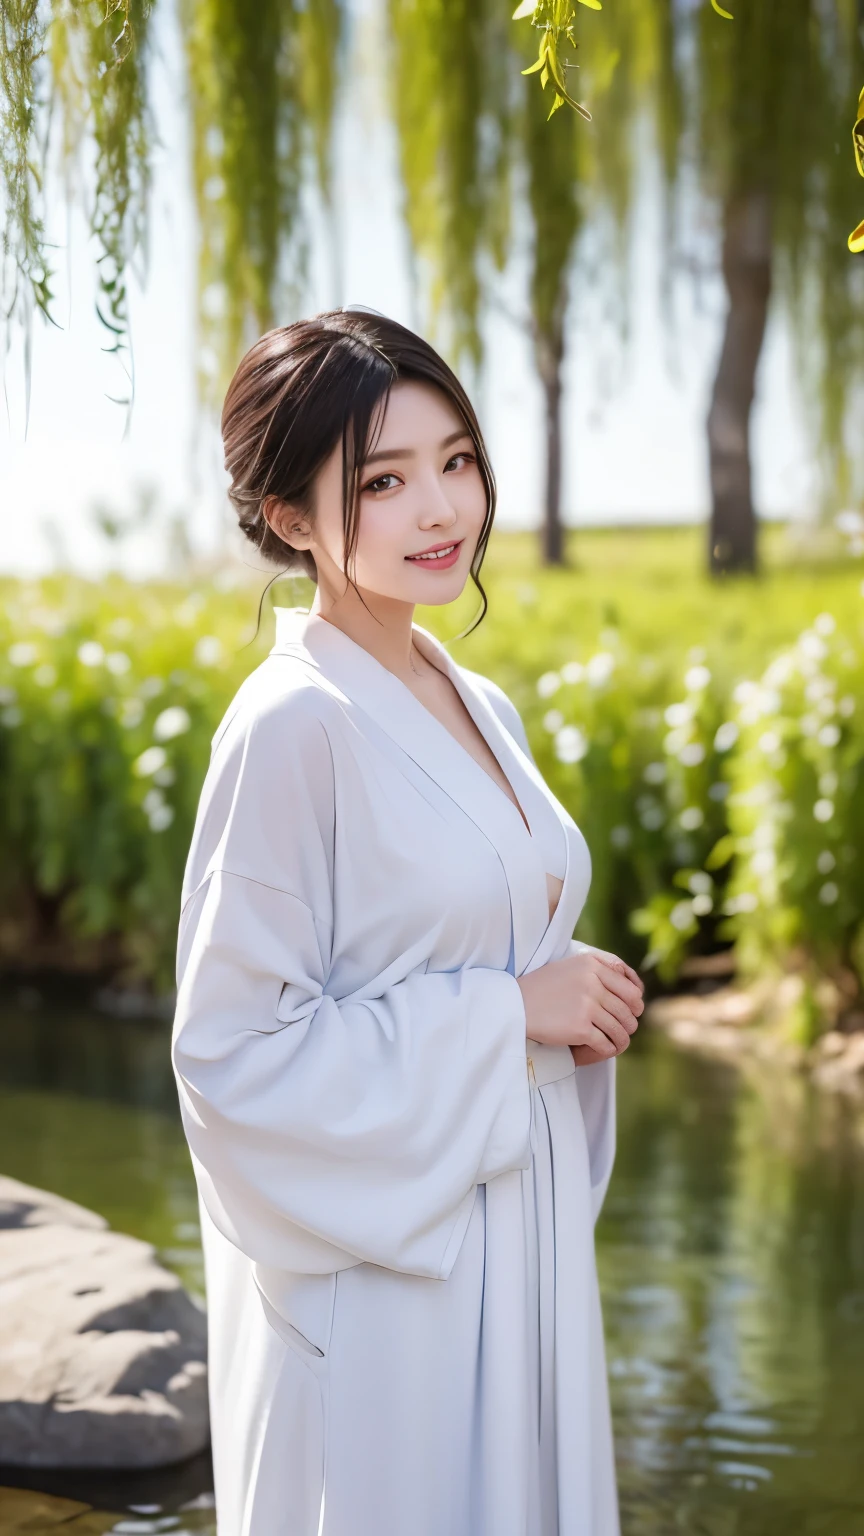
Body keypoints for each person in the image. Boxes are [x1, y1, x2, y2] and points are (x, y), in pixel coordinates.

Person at [171, 307, 644, 1536]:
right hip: (386, 1292)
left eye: (456, 461)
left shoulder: (477, 699)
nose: (442, 510)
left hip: (510, 1232)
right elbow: (231, 1061)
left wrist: (564, 992)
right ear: (289, 520)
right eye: (383, 481)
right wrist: (504, 1015)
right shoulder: (288, 729)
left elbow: (480, 929)